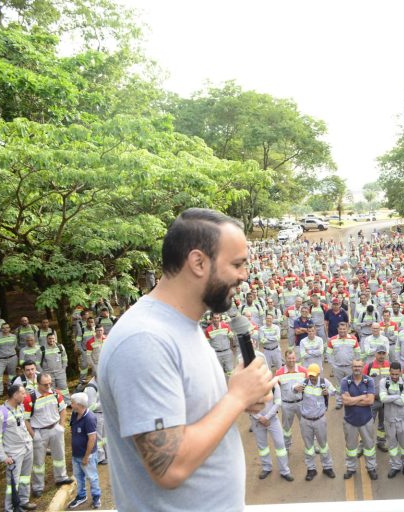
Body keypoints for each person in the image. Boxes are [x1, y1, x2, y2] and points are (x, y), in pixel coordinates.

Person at [98, 208, 276, 512]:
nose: (245, 276)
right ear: (198, 262)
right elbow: (169, 466)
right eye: (236, 264)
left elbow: (195, 416)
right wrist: (236, 397)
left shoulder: (184, 325)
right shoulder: (144, 340)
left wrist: (240, 395)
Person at [25, 372, 73, 496]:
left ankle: (61, 477)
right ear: (38, 384)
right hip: (39, 432)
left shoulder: (56, 394)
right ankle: (38, 487)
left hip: (55, 428)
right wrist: (33, 435)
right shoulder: (29, 398)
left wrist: (61, 427)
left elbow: (63, 410)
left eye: (50, 383)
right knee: (38, 462)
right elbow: (25, 419)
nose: (48, 386)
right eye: (45, 384)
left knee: (59, 456)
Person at [0, 384, 37, 511]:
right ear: (15, 395)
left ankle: (23, 501)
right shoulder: (0, 414)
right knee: (13, 483)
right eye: (23, 393)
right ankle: (10, 508)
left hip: (27, 448)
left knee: (25, 478)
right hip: (14, 453)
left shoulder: (20, 408)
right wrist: (3, 456)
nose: (25, 396)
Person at [293, 364, 336, 481]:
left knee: (323, 445)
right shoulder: (304, 382)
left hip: (320, 420)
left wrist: (329, 393)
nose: (311, 377)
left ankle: (327, 467)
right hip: (305, 421)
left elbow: (334, 391)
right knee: (308, 447)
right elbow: (294, 388)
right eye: (310, 375)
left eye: (313, 375)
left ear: (318, 374)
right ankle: (311, 469)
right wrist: (295, 389)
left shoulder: (324, 382)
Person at [341, 359, 378, 480]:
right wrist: (362, 397)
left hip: (366, 420)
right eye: (355, 366)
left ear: (363, 368)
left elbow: (370, 401)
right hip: (350, 421)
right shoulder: (345, 381)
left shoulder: (369, 381)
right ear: (351, 367)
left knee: (369, 446)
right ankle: (351, 468)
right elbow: (345, 401)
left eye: (359, 366)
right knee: (351, 447)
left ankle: (371, 467)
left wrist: (353, 400)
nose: (357, 368)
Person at [249, 382, 293, 482]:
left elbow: (278, 403)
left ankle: (285, 471)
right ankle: (266, 468)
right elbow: (248, 405)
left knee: (280, 445)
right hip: (257, 421)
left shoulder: (274, 385)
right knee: (262, 447)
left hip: (272, 420)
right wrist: (260, 418)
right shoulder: (250, 385)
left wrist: (267, 417)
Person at [66, 392, 102, 509]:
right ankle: (81, 496)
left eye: (72, 402)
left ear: (79, 404)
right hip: (76, 454)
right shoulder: (74, 414)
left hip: (87, 455)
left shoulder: (90, 418)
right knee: (78, 476)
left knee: (92, 477)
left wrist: (86, 457)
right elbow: (72, 428)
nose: (70, 404)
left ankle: (96, 498)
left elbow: (92, 439)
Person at [379, 361, 404, 478]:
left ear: (401, 373)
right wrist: (397, 396)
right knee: (392, 445)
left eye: (397, 374)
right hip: (389, 420)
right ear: (389, 372)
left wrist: (390, 397)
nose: (394, 377)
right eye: (392, 374)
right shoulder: (384, 382)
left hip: (402, 419)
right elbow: (382, 398)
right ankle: (395, 466)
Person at [274, 350, 308, 451]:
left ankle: (310, 445)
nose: (291, 360)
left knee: (306, 425)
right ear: (285, 359)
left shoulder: (303, 371)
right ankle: (287, 446)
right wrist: (275, 405)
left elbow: (308, 386)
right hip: (286, 405)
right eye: (289, 358)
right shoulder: (279, 373)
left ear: (295, 358)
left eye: (293, 358)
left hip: (301, 403)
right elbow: (275, 390)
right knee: (286, 429)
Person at [327, 322, 360, 409]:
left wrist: (355, 363)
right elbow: (328, 354)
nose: (342, 331)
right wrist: (333, 365)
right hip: (338, 367)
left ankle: (351, 401)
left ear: (347, 329)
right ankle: (339, 402)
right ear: (337, 329)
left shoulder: (353, 338)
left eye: (344, 329)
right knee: (338, 386)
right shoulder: (332, 340)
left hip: (350, 367)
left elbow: (358, 352)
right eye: (340, 329)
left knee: (351, 384)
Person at [84, 376, 108, 465]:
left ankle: (106, 454)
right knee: (98, 438)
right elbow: (90, 406)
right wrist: (104, 402)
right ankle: (100, 457)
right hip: (96, 415)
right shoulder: (91, 387)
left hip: (103, 413)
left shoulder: (101, 383)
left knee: (104, 437)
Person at [204, 312, 236, 377]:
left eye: (217, 318)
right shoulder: (208, 330)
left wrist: (233, 348)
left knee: (230, 372)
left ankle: (230, 386)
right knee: (219, 374)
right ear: (211, 319)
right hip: (216, 354)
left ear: (220, 318)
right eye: (214, 318)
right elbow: (207, 344)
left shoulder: (226, 326)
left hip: (227, 352)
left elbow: (231, 337)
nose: (216, 320)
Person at [41, 333, 70, 403]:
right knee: (51, 388)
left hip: (60, 372)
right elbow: (38, 362)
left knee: (64, 387)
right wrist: (43, 373)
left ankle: (67, 402)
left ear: (55, 339)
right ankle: (54, 402)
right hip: (48, 373)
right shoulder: (42, 349)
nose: (51, 340)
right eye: (50, 338)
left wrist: (64, 367)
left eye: (53, 338)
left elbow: (64, 357)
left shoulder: (60, 347)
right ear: (47, 339)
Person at [0, 323, 17, 396]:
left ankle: (10, 388)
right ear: (1, 329)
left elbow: (14, 345)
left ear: (9, 328)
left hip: (12, 358)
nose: (5, 329)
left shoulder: (14, 337)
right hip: (1, 360)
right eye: (3, 328)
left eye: (7, 327)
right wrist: (1, 354)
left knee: (12, 375)